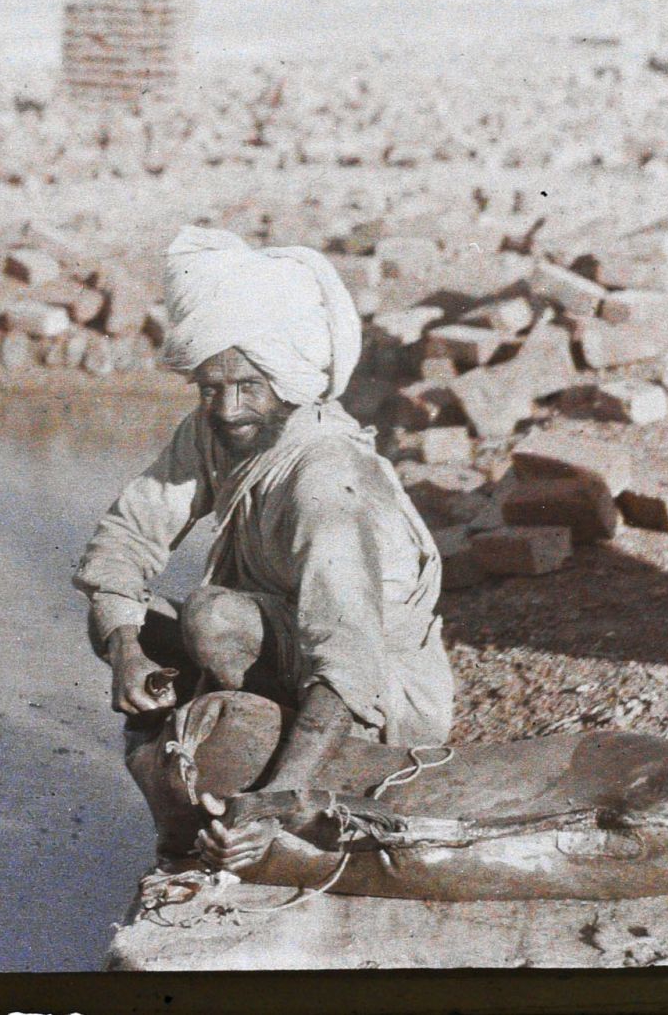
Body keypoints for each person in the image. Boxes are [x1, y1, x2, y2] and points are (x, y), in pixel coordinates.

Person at [72, 225, 456, 873]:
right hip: (286, 645)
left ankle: (286, 776)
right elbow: (126, 539)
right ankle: (219, 780)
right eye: (210, 387)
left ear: (289, 379)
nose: (226, 407)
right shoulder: (218, 431)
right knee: (118, 616)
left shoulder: (325, 481)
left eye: (247, 385)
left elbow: (346, 658)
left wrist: (283, 798)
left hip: (377, 694)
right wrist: (126, 651)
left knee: (211, 616)